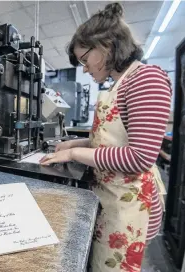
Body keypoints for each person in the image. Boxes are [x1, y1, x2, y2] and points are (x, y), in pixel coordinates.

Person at [39, 2, 172, 271]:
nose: (85, 69)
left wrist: (74, 154)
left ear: (106, 46)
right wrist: (72, 143)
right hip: (110, 198)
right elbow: (111, 143)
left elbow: (139, 157)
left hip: (130, 206)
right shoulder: (118, 85)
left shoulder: (146, 79)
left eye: (85, 60)